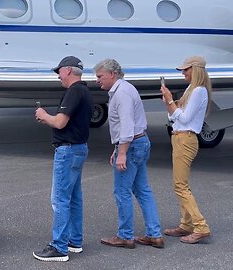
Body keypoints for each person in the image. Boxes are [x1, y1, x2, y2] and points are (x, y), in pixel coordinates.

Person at [94, 59, 164, 249]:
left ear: (112, 74)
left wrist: (122, 152)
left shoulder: (121, 93)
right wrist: (117, 148)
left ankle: (125, 236)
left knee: (122, 191)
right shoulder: (127, 88)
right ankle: (154, 234)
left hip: (132, 145)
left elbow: (126, 125)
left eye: (100, 76)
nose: (97, 80)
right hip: (140, 142)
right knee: (142, 190)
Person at [32, 56, 92, 262]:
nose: (58, 76)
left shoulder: (73, 91)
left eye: (59, 72)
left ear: (68, 70)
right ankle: (74, 241)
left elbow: (59, 122)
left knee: (59, 199)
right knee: (74, 197)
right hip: (79, 148)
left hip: (67, 151)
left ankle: (59, 247)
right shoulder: (85, 91)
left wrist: (43, 115)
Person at [160, 56, 211, 244]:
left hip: (185, 139)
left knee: (180, 186)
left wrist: (171, 102)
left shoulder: (198, 91)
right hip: (181, 138)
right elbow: (174, 116)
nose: (183, 73)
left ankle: (200, 225)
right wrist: (169, 102)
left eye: (186, 70)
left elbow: (185, 118)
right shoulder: (193, 89)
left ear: (195, 70)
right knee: (182, 184)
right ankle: (186, 225)